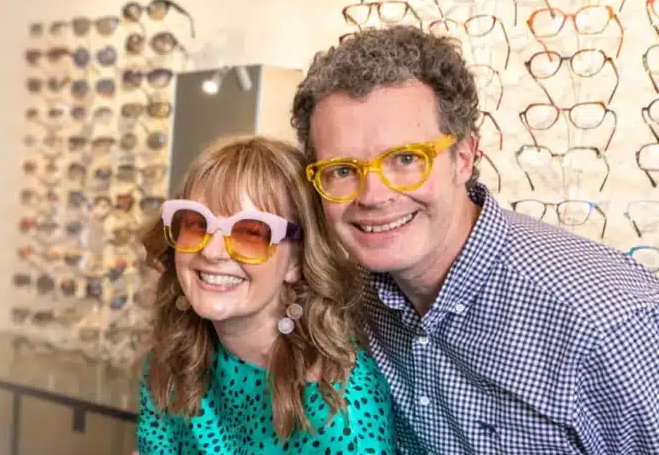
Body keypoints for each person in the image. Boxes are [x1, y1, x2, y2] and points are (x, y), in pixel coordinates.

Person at [290, 25, 659, 454]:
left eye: (406, 160)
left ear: (464, 158)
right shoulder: (357, 301)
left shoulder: (606, 322)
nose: (373, 196)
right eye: (341, 170)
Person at [135, 134, 396, 454]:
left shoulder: (340, 410)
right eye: (196, 224)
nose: (213, 251)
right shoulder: (171, 360)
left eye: (251, 233)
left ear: (297, 261)